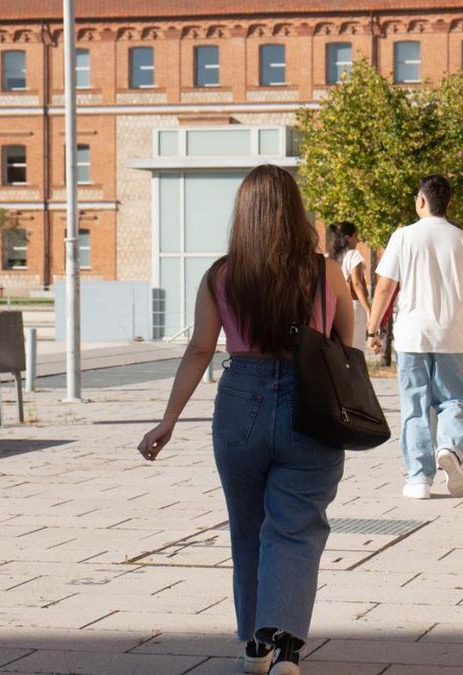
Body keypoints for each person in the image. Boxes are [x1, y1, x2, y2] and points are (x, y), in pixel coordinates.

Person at [137, 165, 354, 675]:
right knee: (298, 528)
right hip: (311, 407)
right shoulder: (324, 272)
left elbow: (198, 350)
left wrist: (167, 420)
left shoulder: (221, 275)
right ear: (294, 211)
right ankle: (289, 651)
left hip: (241, 403)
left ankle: (256, 647)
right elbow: (345, 341)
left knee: (247, 528)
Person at [367, 175, 463, 500]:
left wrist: (372, 327)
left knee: (415, 405)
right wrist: (459, 295)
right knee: (455, 399)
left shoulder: (403, 237)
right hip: (454, 333)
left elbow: (384, 286)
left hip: (412, 335)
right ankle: (449, 446)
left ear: (421, 201)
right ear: (447, 203)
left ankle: (419, 478)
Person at [329, 222, 371, 352]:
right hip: (354, 306)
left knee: (341, 348)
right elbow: (357, 283)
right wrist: (368, 310)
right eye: (356, 236)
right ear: (348, 238)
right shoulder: (354, 255)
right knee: (355, 350)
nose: (358, 239)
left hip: (336, 305)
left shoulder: (334, 258)